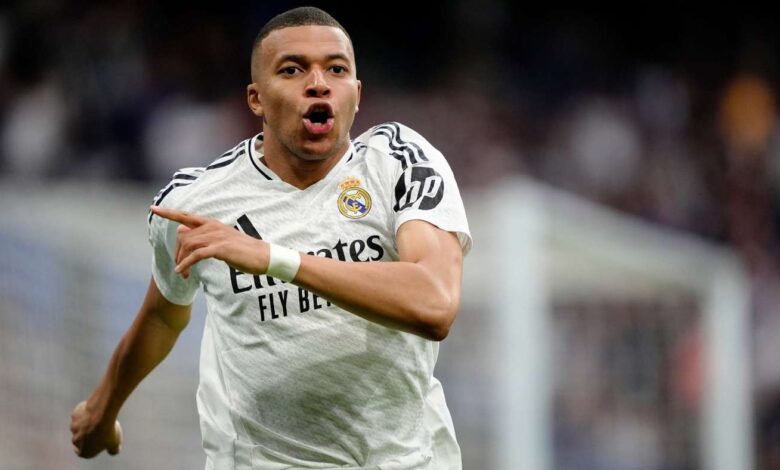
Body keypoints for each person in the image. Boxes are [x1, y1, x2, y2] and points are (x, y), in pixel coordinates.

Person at [70, 6, 471, 469]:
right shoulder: (196, 203)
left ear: (357, 94)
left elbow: (434, 303)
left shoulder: (397, 161)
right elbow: (163, 314)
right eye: (292, 69)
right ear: (256, 99)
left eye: (336, 69)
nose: (318, 83)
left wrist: (272, 258)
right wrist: (102, 408)